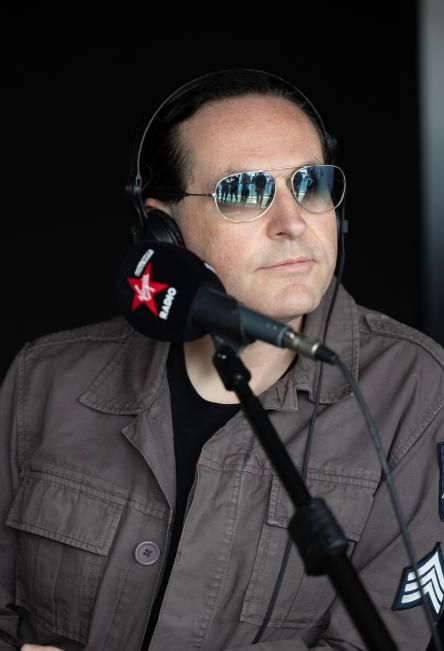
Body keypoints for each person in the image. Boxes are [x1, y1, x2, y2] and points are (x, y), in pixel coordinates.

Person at [0, 68, 443, 651]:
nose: (293, 223)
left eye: (309, 184)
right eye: (243, 192)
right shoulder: (44, 379)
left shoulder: (415, 389)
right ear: (164, 231)